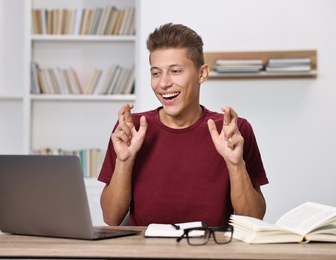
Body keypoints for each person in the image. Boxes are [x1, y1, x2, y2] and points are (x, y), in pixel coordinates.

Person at [98, 23, 269, 227]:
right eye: (156, 73)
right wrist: (124, 162)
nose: (163, 83)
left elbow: (253, 219)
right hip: (145, 252)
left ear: (202, 74)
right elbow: (111, 218)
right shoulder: (131, 129)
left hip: (212, 252)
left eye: (175, 71)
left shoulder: (233, 130)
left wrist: (235, 164)